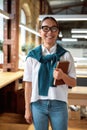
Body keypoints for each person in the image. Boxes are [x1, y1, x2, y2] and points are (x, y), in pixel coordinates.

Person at [23, 16, 76, 130]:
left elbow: (73, 83)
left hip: (59, 104)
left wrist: (63, 76)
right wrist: (27, 109)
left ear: (58, 32)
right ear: (40, 31)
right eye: (45, 28)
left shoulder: (65, 55)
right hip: (37, 104)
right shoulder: (32, 56)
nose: (49, 32)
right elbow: (28, 84)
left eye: (53, 29)